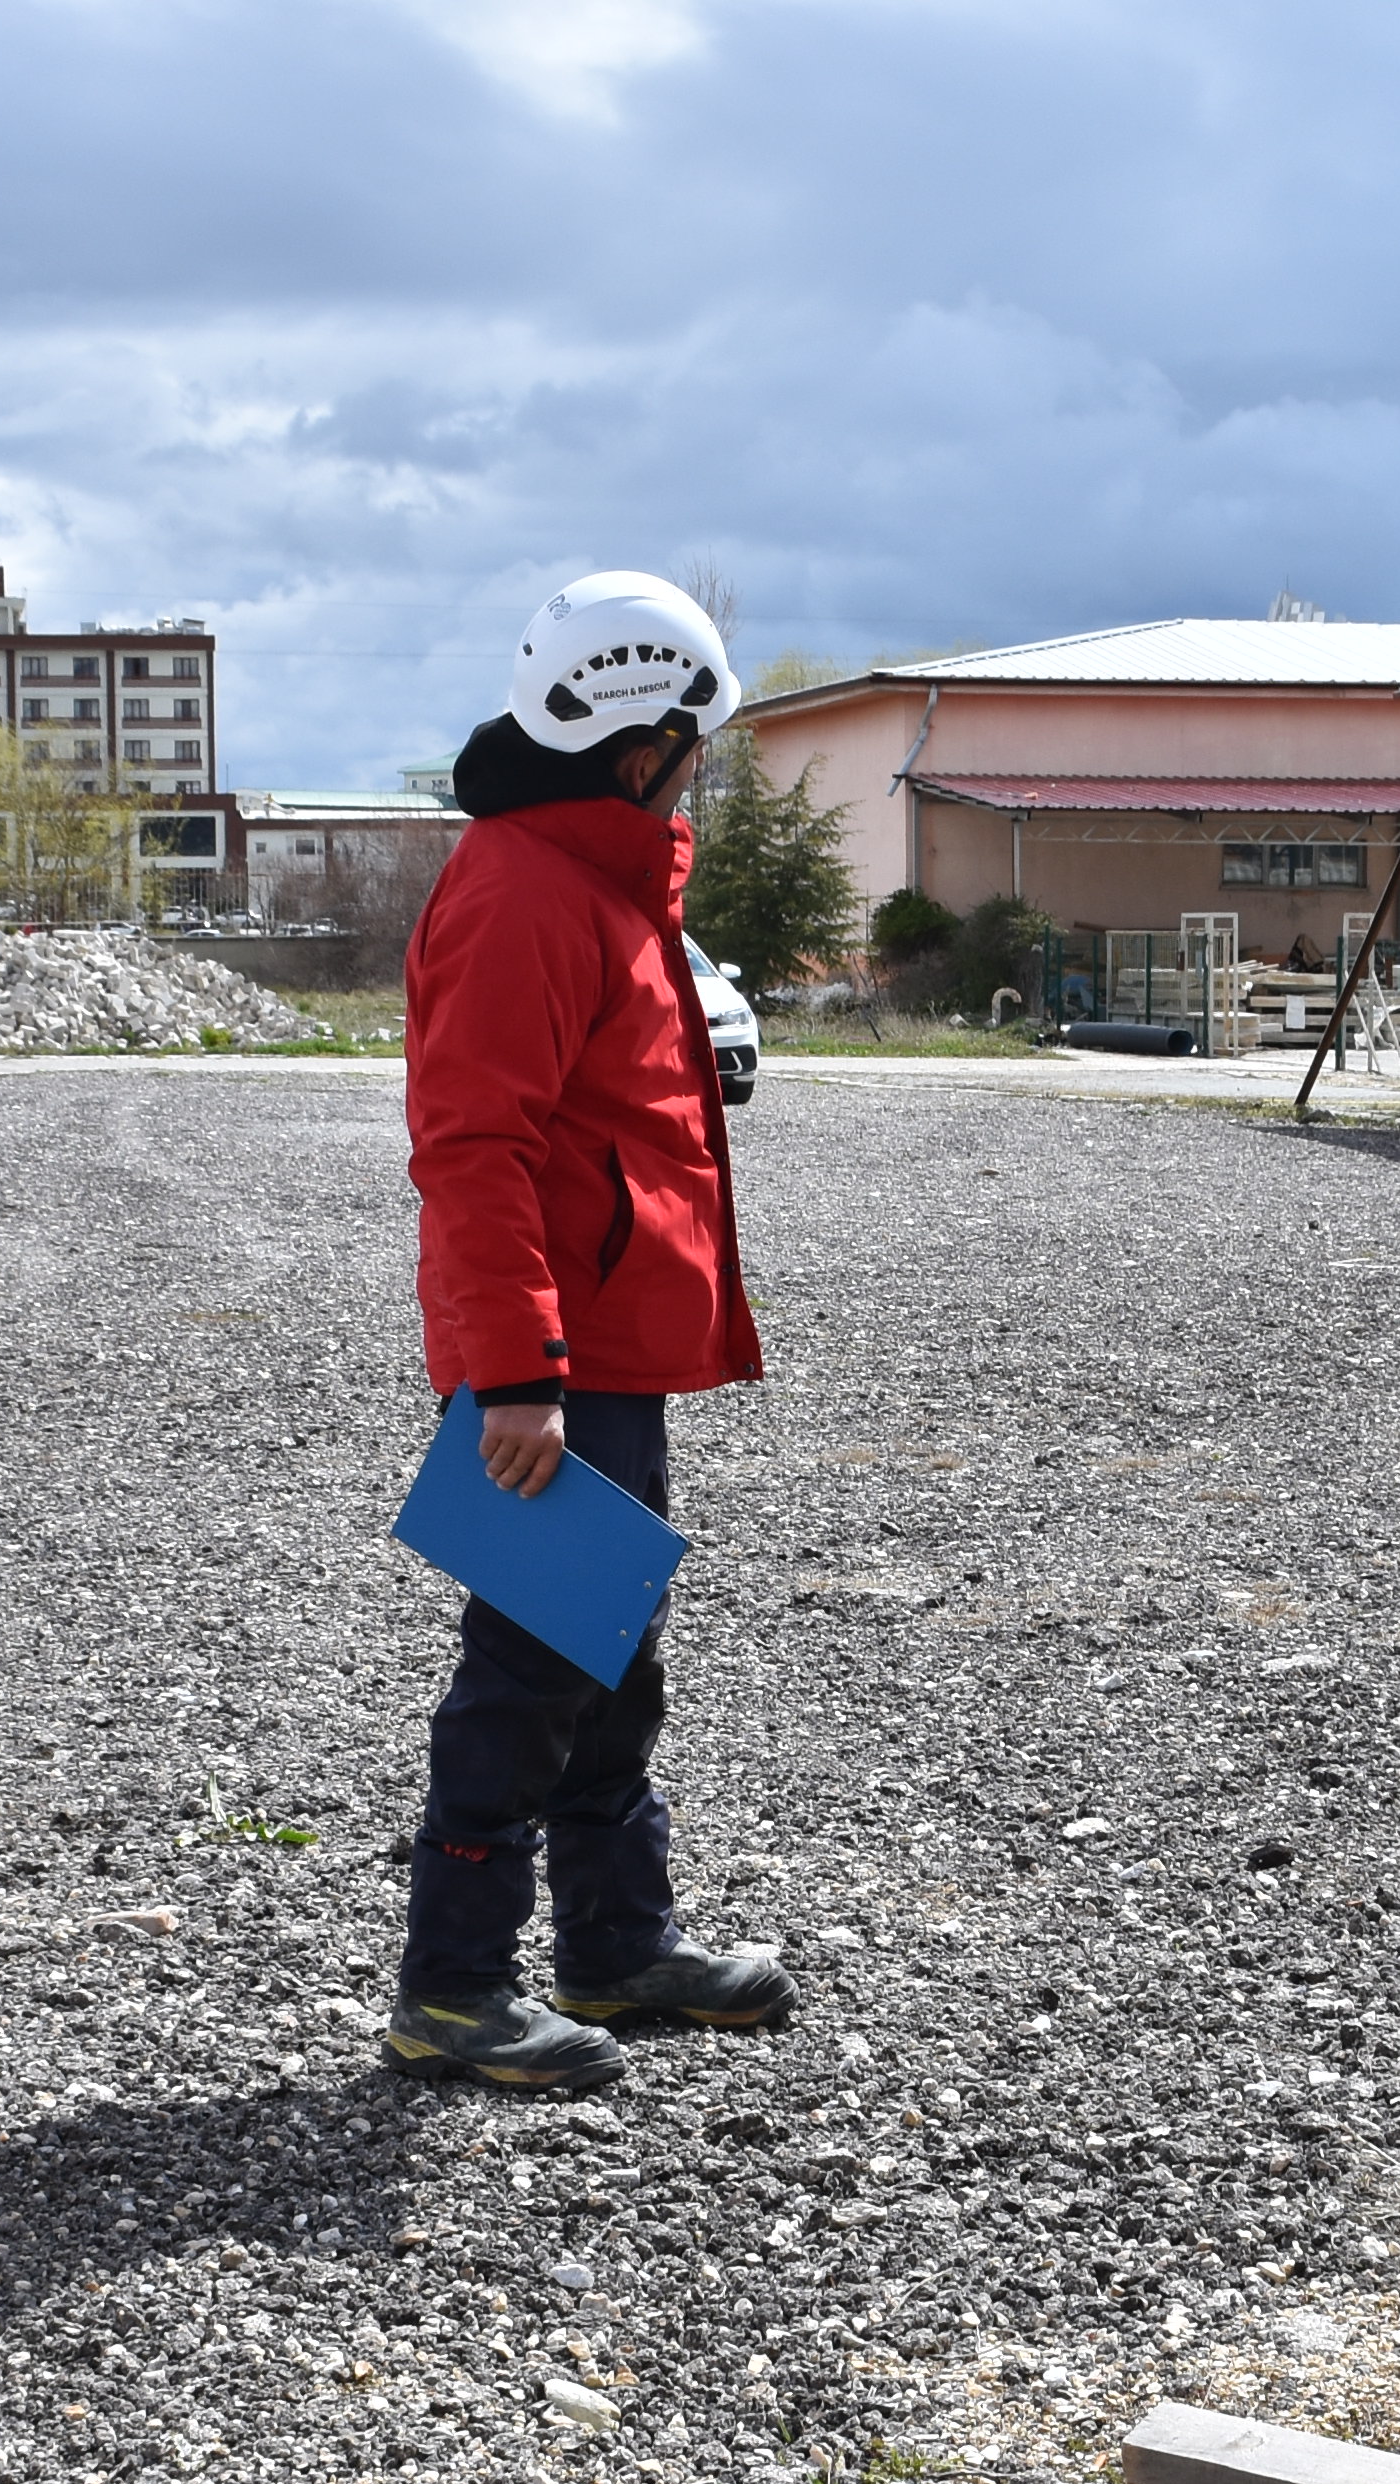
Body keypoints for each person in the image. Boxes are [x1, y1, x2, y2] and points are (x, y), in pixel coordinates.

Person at [383, 572, 795, 2093]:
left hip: (601, 1348)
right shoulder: (523, 890)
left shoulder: (593, 877)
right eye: (699, 741)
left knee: (608, 1657)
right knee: (532, 1665)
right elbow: (473, 1148)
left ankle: (617, 1946)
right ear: (641, 745)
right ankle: (453, 1988)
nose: (708, 768)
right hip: (556, 1363)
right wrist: (516, 1373)